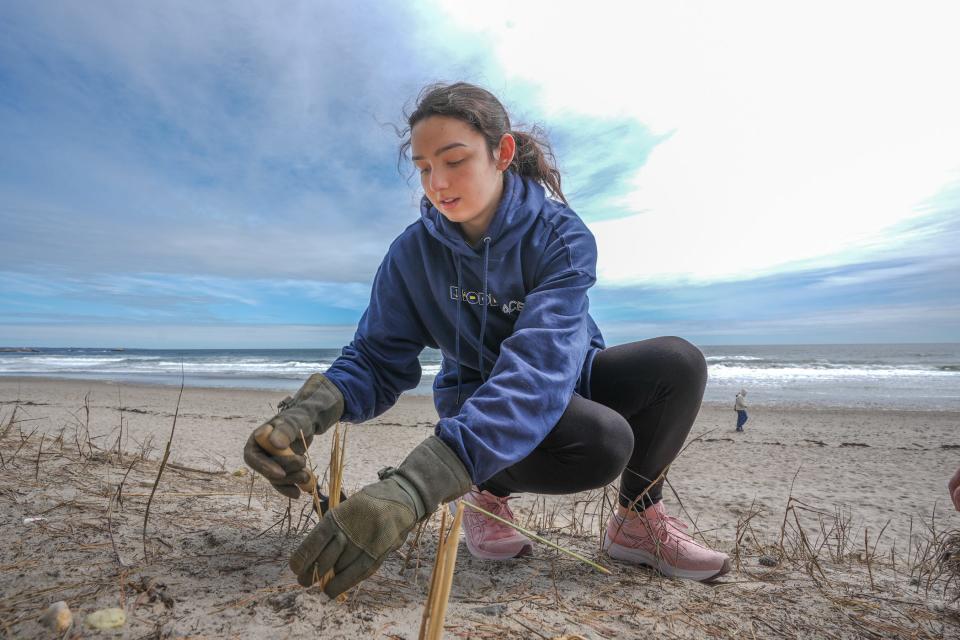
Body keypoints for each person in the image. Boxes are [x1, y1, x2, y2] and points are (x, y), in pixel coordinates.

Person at [243, 82, 730, 598]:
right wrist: (305, 413)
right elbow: (375, 358)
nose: (437, 182)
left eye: (454, 161)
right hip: (473, 393)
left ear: (502, 154)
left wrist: (412, 487)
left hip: (564, 375)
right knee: (602, 443)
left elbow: (538, 372)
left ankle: (636, 522)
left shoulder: (560, 237)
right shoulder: (412, 255)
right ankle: (486, 491)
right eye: (425, 167)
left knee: (678, 363)